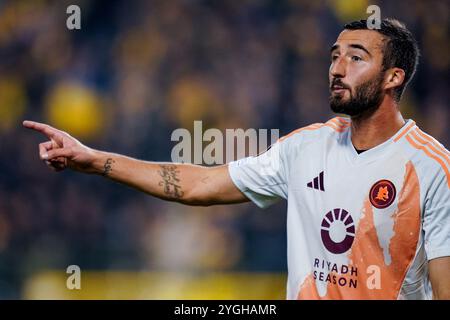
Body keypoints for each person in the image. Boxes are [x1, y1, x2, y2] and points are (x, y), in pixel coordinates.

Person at [24, 19, 449, 300]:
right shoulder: (303, 148)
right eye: (334, 55)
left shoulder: (432, 168)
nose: (337, 68)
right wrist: (94, 160)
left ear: (394, 77)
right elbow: (197, 185)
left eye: (356, 57)